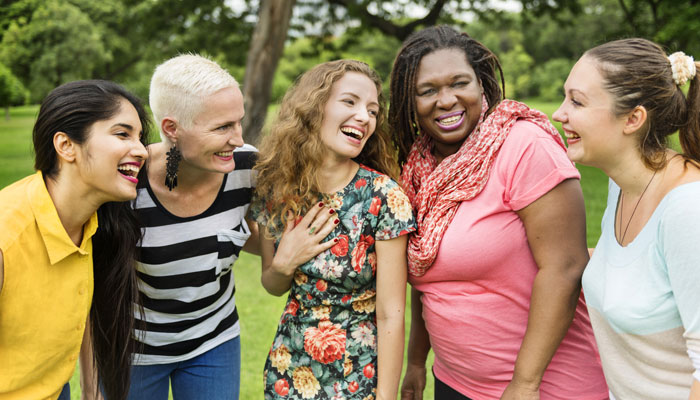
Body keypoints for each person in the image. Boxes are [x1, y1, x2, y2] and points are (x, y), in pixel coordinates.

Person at [390, 26, 608, 400]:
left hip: (541, 388)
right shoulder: (418, 168)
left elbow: (566, 268)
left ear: (483, 85)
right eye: (428, 90)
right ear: (410, 102)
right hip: (454, 383)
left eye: (460, 83)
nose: (446, 100)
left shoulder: (523, 145)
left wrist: (524, 383)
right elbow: (428, 277)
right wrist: (415, 363)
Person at [252, 59, 416, 400]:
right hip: (289, 372)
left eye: (372, 111)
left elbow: (390, 314)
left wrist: (385, 397)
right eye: (350, 102)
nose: (364, 117)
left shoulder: (383, 197)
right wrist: (284, 263)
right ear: (315, 107)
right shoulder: (276, 188)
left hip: (357, 377)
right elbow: (272, 283)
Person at [553, 38, 700, 399]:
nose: (559, 113)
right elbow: (633, 269)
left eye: (577, 101)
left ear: (633, 118)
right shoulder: (623, 184)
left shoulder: (687, 211)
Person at [0, 80, 149, 400]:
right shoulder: (6, 237)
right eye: (123, 134)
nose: (142, 150)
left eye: (139, 137)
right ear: (66, 146)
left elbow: (83, 318)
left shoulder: (94, 223)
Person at [126, 54, 258, 400]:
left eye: (238, 123)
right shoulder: (127, 183)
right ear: (171, 128)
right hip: (135, 350)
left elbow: (248, 237)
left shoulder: (246, 167)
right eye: (222, 127)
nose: (237, 138)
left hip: (215, 340)